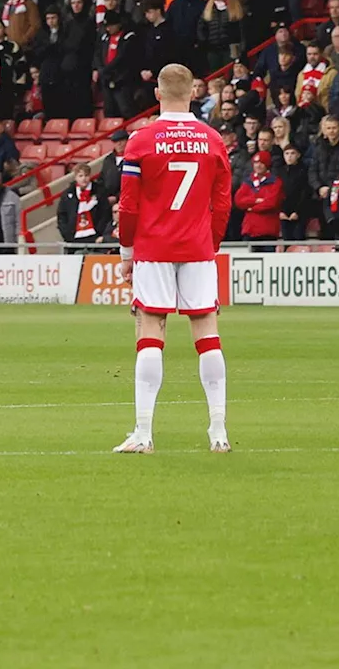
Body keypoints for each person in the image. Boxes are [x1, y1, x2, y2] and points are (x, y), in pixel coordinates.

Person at [112, 64, 232, 454]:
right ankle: (218, 432)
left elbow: (128, 205)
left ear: (158, 95)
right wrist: (209, 243)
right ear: (194, 93)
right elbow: (222, 202)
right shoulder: (213, 139)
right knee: (208, 336)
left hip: (154, 247)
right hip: (197, 248)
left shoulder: (141, 140)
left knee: (150, 333)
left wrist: (127, 251)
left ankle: (144, 433)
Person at [234, 150, 283, 248]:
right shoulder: (248, 181)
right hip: (249, 229)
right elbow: (238, 200)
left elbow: (271, 203)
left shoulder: (275, 182)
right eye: (256, 163)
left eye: (261, 163)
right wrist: (256, 201)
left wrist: (251, 208)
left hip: (268, 230)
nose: (258, 166)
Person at [58, 163, 111, 252]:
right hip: (74, 239)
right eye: (80, 176)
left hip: (94, 237)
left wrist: (99, 232)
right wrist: (68, 234)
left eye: (86, 175)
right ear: (75, 177)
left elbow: (105, 213)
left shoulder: (99, 191)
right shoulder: (68, 194)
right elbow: (62, 215)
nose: (84, 178)